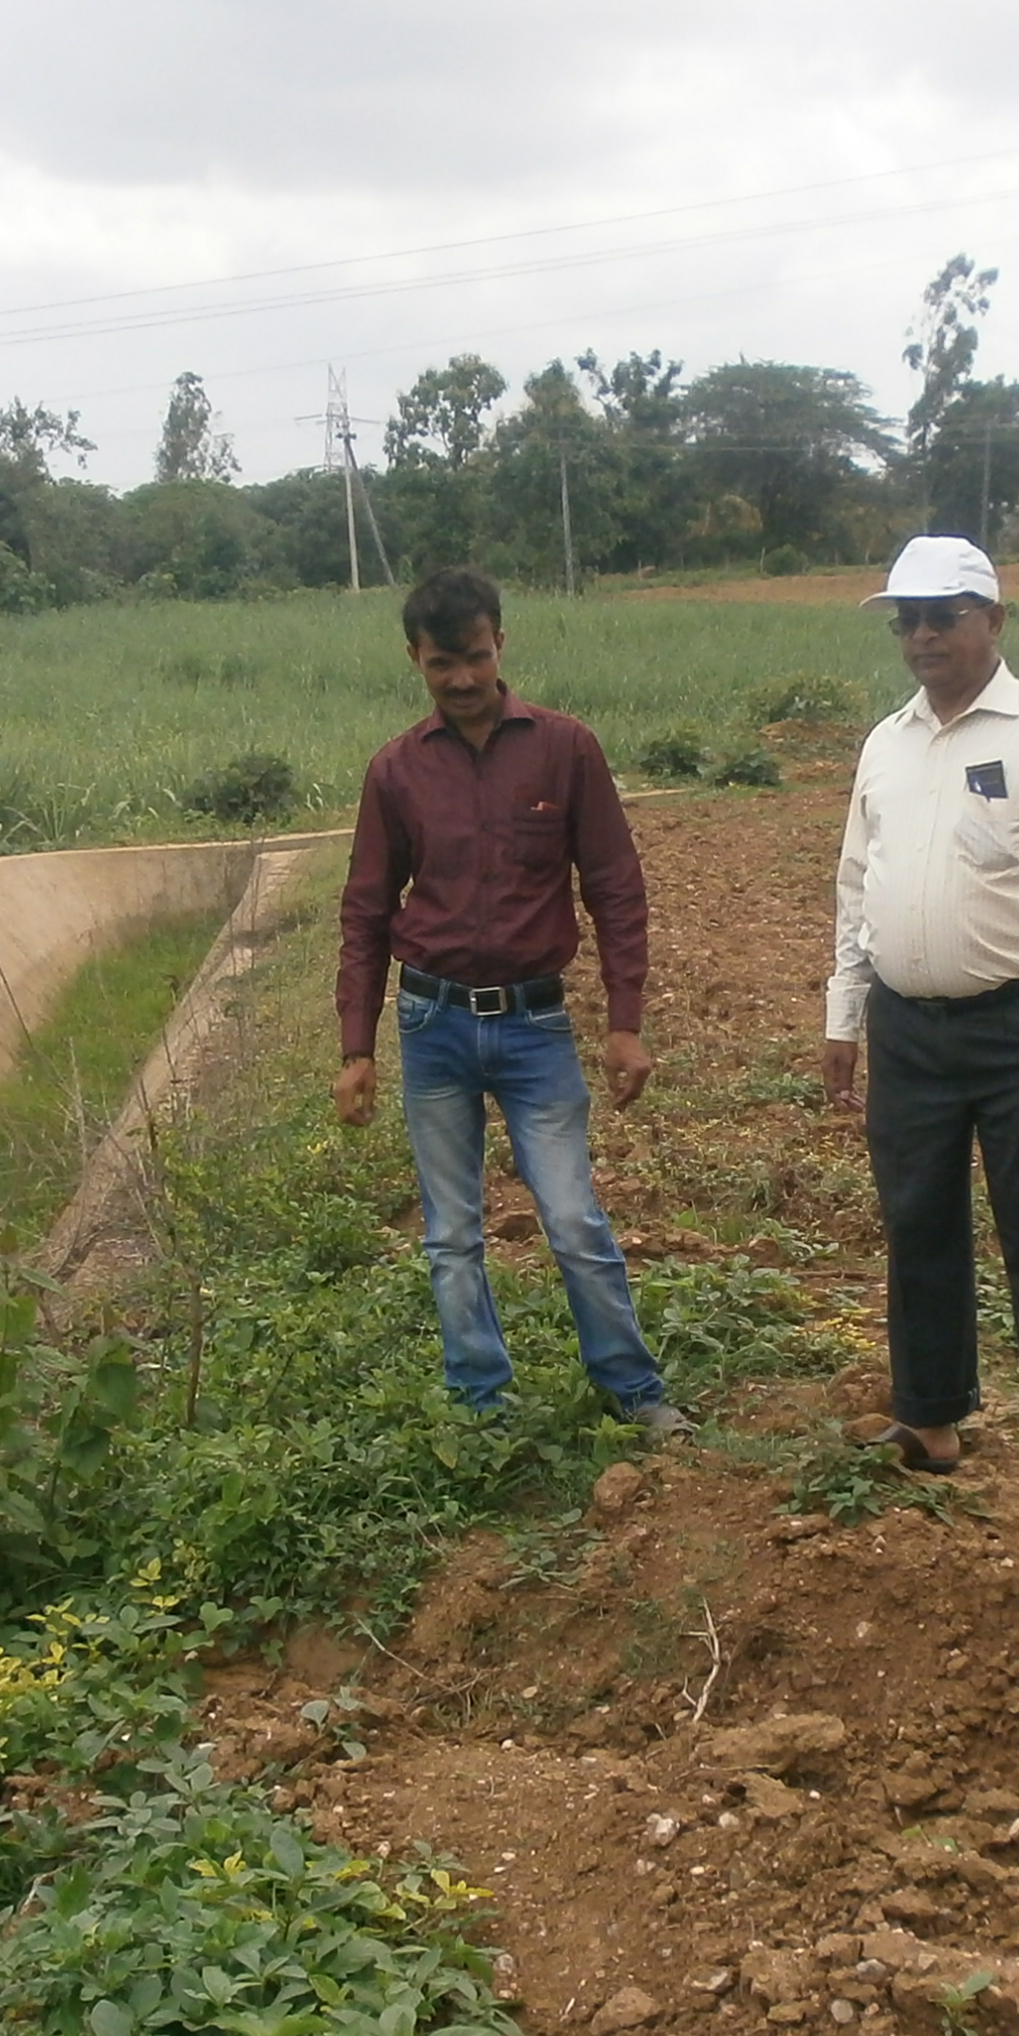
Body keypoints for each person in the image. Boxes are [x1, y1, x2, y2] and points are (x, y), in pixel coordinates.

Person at [821, 534, 1019, 1516]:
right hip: (908, 1029)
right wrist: (845, 1011)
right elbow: (856, 881)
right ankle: (930, 1417)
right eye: (906, 620)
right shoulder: (886, 742)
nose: (922, 636)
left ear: (991, 621)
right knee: (917, 1220)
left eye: (941, 617)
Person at [337, 566, 687, 1435]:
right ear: (414, 658)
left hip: (536, 1026)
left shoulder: (565, 750)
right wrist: (357, 1047)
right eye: (441, 663)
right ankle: (481, 1407)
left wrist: (625, 1022)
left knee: (571, 1217)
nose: (461, 679)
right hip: (433, 1025)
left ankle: (634, 1391)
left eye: (476, 657)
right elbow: (367, 911)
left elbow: (615, 887)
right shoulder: (396, 771)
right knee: (452, 1234)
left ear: (501, 643)